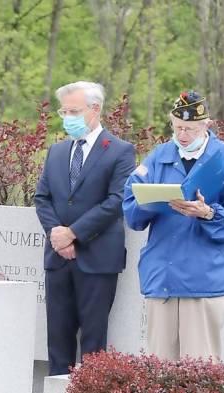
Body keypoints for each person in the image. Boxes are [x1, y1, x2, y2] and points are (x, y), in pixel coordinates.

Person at [123, 90, 224, 361]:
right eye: (178, 127)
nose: (182, 135)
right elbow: (130, 204)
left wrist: (207, 213)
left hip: (204, 279)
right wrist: (148, 202)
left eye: (190, 129)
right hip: (163, 277)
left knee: (199, 370)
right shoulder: (159, 157)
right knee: (159, 369)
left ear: (206, 126)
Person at [35, 81, 136, 375]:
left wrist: (74, 232)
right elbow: (43, 198)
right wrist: (57, 235)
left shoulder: (119, 151)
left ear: (95, 109)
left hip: (97, 257)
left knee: (93, 344)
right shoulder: (56, 152)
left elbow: (117, 200)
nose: (67, 117)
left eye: (74, 111)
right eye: (63, 111)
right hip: (58, 259)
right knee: (57, 339)